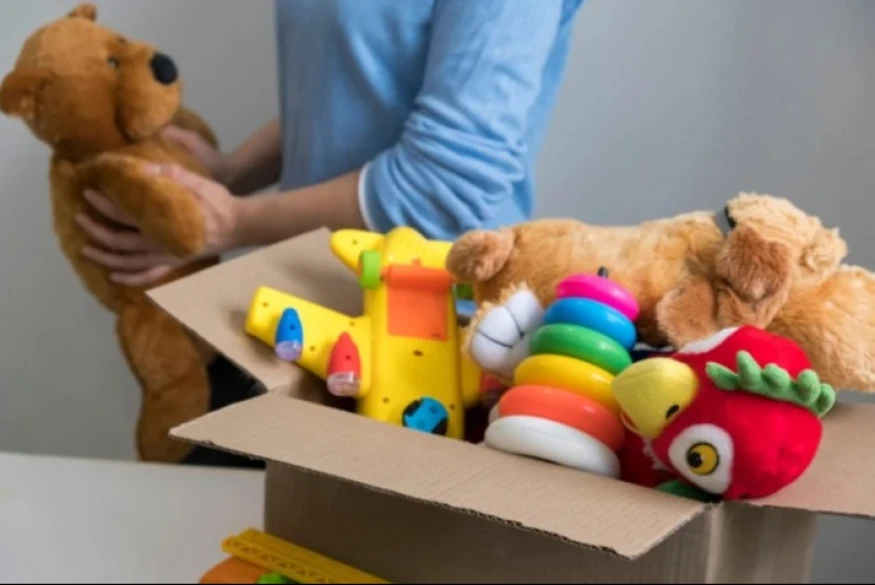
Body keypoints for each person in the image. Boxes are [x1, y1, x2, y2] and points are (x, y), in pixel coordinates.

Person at [76, 0, 586, 466]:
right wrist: (232, 172)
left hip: (431, 350)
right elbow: (356, 85)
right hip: (307, 302)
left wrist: (232, 222)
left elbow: (445, 182)